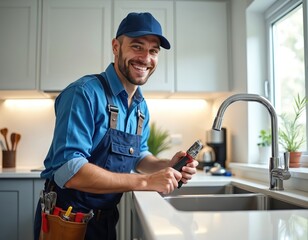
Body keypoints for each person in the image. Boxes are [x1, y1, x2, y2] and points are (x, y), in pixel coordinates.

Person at [34, 12, 198, 240]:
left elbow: (139, 156)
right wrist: (146, 181)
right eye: (137, 47)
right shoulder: (83, 93)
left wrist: (165, 165)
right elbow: (69, 170)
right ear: (116, 46)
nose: (145, 58)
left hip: (106, 221)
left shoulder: (140, 107)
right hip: (67, 221)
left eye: (153, 51)